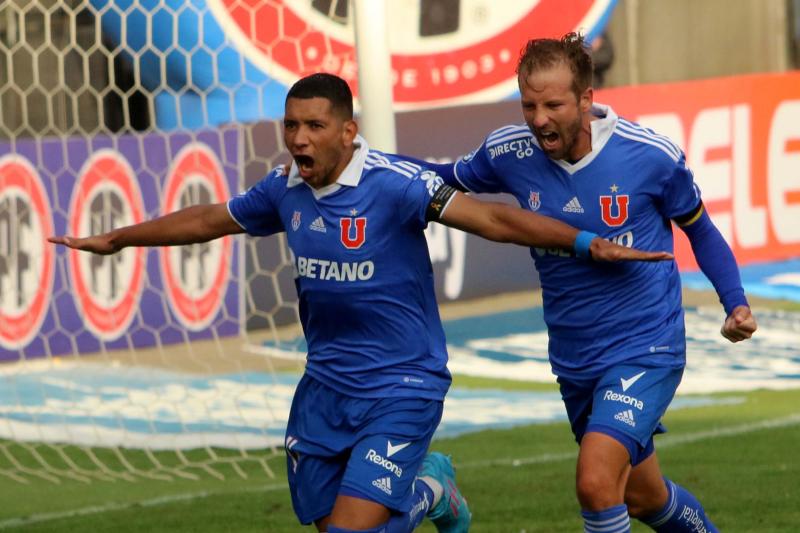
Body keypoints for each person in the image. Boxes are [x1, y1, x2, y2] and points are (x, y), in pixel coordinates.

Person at [49, 73, 671, 533]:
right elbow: (211, 219)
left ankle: (428, 489)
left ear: (348, 132)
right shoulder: (284, 189)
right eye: (291, 126)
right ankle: (431, 492)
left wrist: (585, 242)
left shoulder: (396, 185)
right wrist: (120, 238)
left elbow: (494, 220)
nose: (298, 138)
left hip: (404, 386)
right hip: (326, 387)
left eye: (314, 126)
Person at [413, 33, 757, 533]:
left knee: (596, 482)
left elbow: (699, 229)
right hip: (575, 357)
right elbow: (441, 178)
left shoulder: (649, 156)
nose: (538, 119)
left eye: (552, 105)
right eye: (529, 105)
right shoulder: (508, 153)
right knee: (644, 497)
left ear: (585, 100)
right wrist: (372, 170)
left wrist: (735, 302)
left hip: (646, 346)